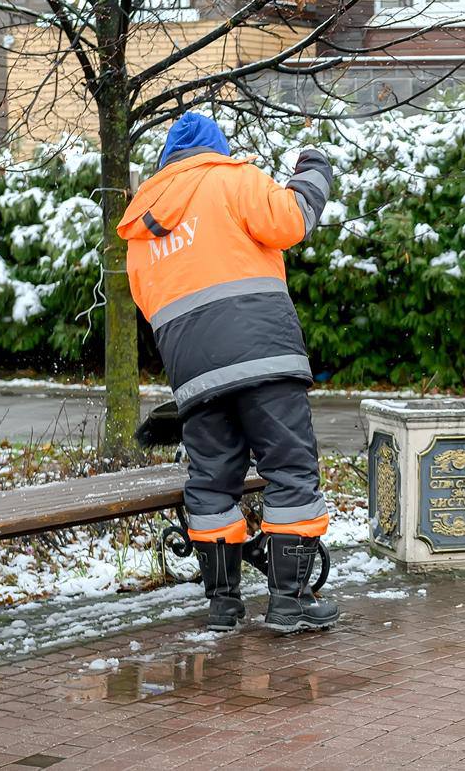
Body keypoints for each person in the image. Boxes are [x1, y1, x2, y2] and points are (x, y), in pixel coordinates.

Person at [116, 112, 338, 633]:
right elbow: (292, 221)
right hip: (264, 355)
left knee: (212, 481)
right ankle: (290, 602)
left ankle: (223, 606)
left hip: (193, 372)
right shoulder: (233, 179)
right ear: (215, 149)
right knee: (290, 469)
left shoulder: (142, 224)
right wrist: (314, 169)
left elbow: (147, 302)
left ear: (167, 161)